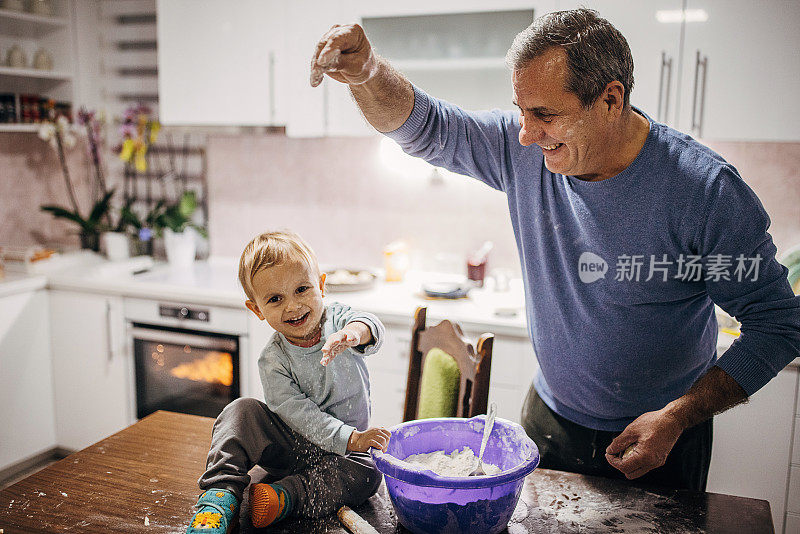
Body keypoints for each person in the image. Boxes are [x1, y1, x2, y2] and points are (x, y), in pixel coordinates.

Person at [308, 9, 800, 491]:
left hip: (663, 439)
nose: (525, 133)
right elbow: (426, 126)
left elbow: (779, 324)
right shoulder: (523, 149)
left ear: (611, 99)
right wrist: (367, 72)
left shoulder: (704, 192)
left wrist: (677, 416)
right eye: (521, 111)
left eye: (544, 114)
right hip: (548, 420)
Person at [185, 230, 389, 533]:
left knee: (370, 472)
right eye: (275, 299)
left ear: (321, 285)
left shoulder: (338, 320)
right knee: (240, 411)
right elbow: (299, 415)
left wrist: (355, 333)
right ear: (257, 309)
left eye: (302, 289)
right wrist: (352, 438)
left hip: (344, 456)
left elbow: (371, 325)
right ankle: (219, 496)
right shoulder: (273, 360)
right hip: (292, 450)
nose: (293, 306)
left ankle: (284, 497)